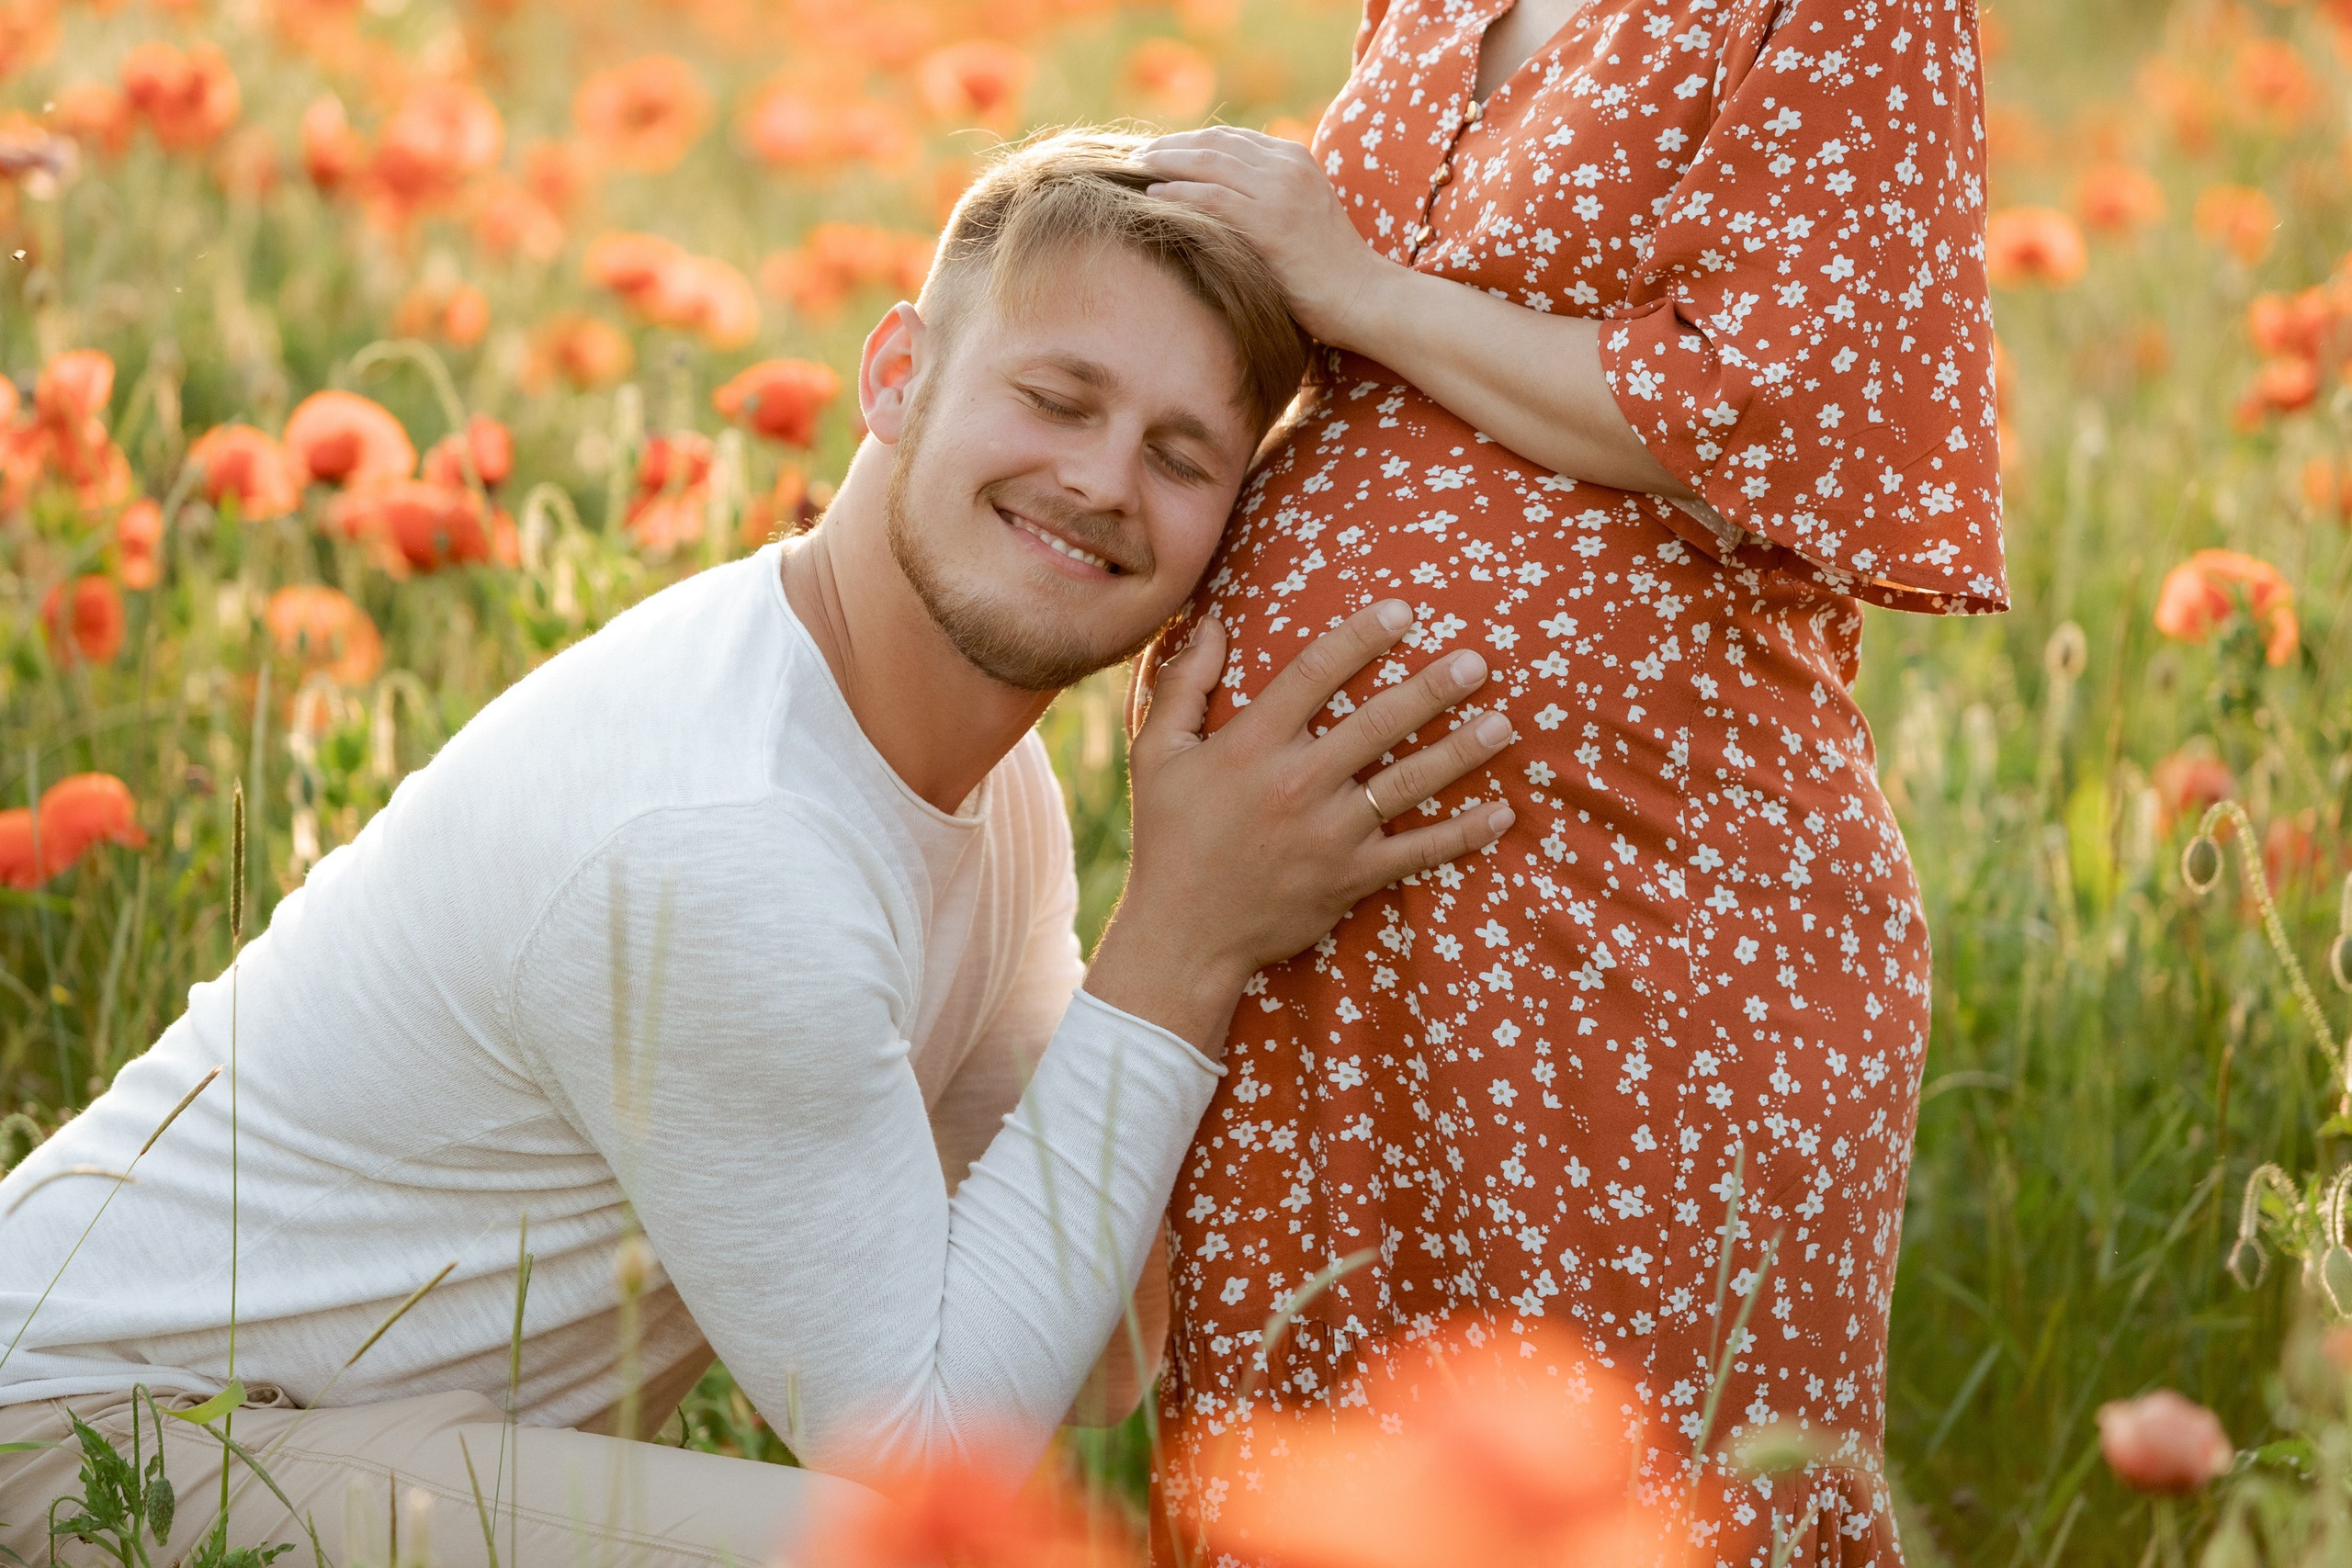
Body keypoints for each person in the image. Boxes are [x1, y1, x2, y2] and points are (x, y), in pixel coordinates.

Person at [0, 134, 1518, 1566]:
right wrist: (1185, 932)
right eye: (1059, 399)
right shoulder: (729, 843)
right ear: (897, 375)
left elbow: (1091, 1359)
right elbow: (934, 1467)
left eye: (1184, 457)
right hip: (101, 1450)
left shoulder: (987, 793)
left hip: (352, 1432)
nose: (1106, 480)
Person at [1132, 1, 2006, 1562]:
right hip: (1322, 937)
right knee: (1325, 1484)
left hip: (1640, 915)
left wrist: (1354, 282)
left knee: (1624, 1494)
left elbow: (1752, 406)